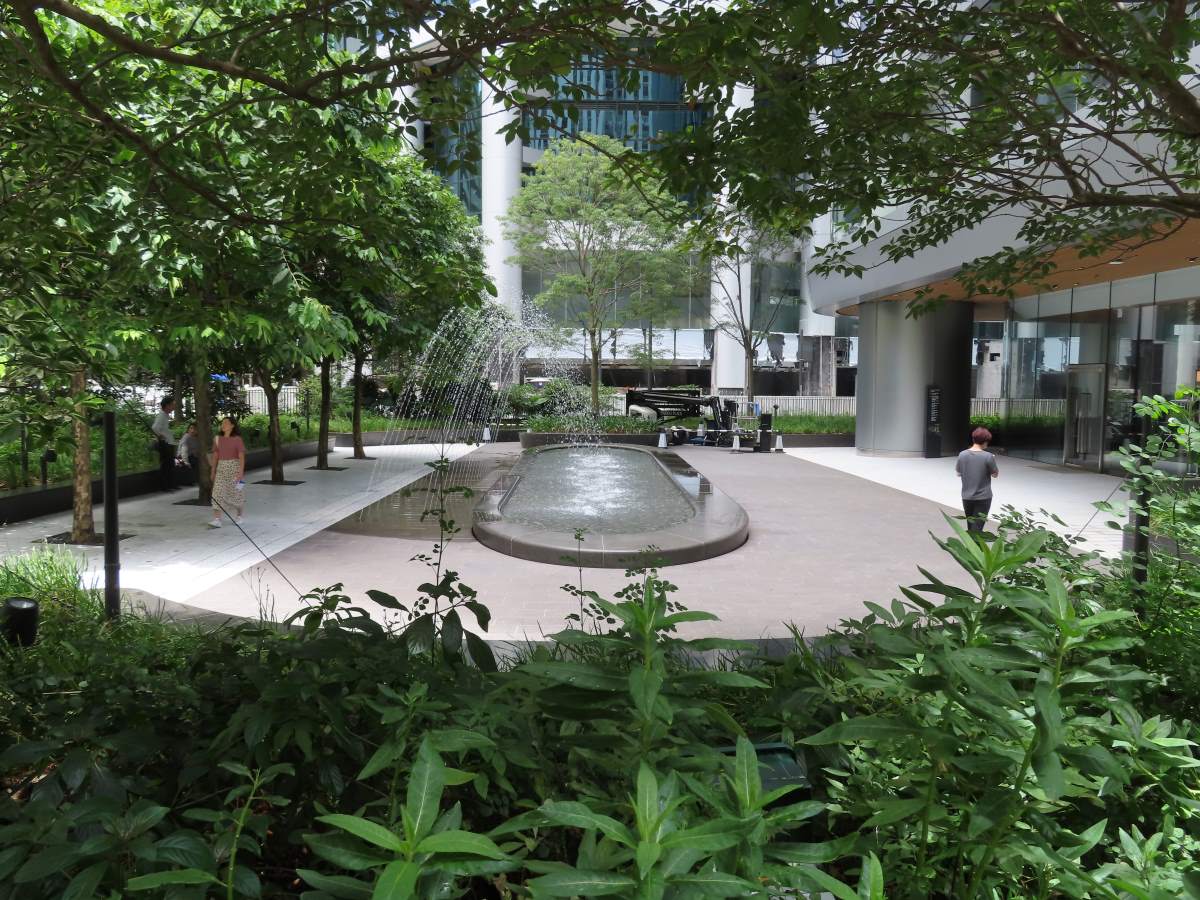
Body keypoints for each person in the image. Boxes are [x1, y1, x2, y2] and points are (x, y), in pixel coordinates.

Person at [956, 426, 999, 534]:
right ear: (985, 441)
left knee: (971, 527)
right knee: (977, 529)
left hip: (966, 496)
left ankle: (970, 549)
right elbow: (995, 474)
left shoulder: (962, 454)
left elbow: (958, 473)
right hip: (983, 497)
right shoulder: (988, 456)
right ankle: (976, 550)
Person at [209, 416, 246, 528]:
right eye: (222, 423)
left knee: (238, 492)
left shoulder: (237, 439)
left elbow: (241, 456)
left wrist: (241, 472)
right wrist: (213, 470)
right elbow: (215, 455)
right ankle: (217, 519)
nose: (223, 424)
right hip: (221, 469)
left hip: (235, 468)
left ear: (232, 425)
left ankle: (239, 516)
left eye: (226, 422)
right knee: (217, 492)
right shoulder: (217, 439)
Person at [151, 396, 177, 491]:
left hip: (168, 443)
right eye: (173, 405)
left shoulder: (165, 415)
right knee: (166, 465)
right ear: (167, 405)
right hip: (164, 443)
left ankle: (170, 485)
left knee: (169, 464)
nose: (174, 407)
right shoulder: (161, 415)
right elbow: (155, 428)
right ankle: (165, 486)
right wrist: (161, 436)